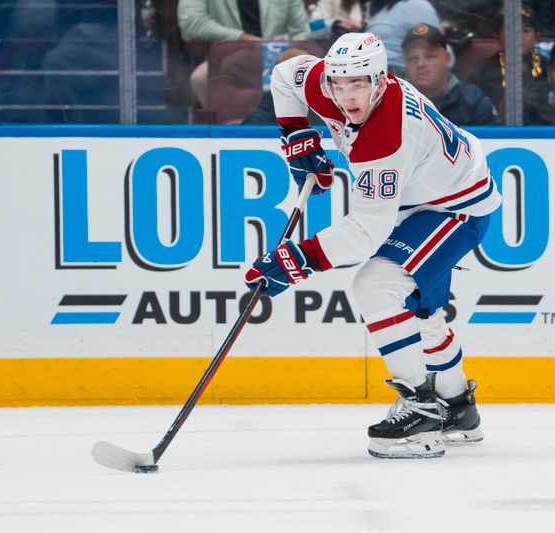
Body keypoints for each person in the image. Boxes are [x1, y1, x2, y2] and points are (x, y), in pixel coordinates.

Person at [243, 32, 500, 459]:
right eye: (338, 84)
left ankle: (421, 410)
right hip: (417, 198)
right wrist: (296, 136)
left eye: (358, 84)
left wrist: (298, 260)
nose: (346, 96)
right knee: (422, 313)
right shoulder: (327, 84)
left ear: (380, 80)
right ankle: (457, 409)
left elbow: (366, 230)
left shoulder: (387, 132)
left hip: (456, 206)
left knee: (376, 285)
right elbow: (286, 74)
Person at [177, 0, 310, 106]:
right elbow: (191, 23)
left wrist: (285, 46)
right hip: (226, 58)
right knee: (200, 78)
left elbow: (301, 30)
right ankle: (223, 133)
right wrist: (243, 38)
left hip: (278, 57)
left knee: (309, 73)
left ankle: (298, 125)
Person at [402, 23, 499, 125]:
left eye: (429, 56)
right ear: (404, 62)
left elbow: (495, 139)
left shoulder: (473, 102)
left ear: (447, 58)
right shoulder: (391, 101)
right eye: (412, 58)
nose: (420, 64)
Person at [467, 6, 549, 113]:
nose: (518, 37)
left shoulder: (548, 68)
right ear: (497, 36)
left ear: (536, 37)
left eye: (525, 31)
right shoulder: (482, 71)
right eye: (510, 30)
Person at [364, 0, 440, 77]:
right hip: (369, 69)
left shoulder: (420, 7)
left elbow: (435, 53)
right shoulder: (382, 11)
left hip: (395, 71)